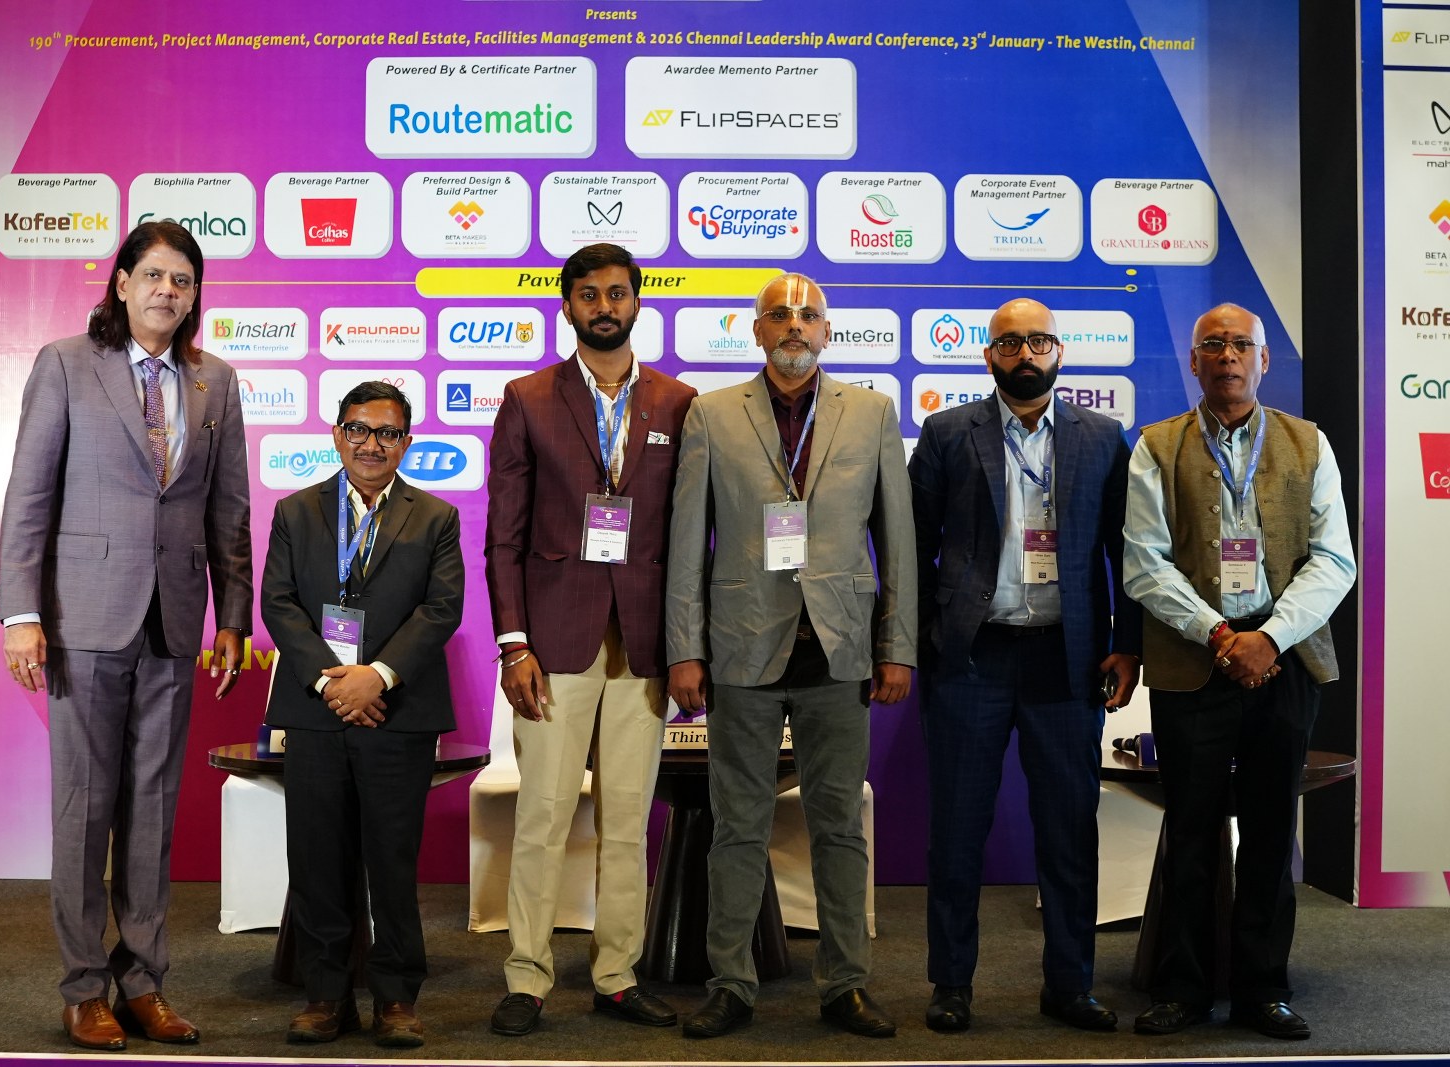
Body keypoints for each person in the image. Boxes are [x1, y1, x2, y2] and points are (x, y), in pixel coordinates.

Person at [0, 220, 253, 1050]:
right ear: (121, 282)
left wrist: (234, 616)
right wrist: (21, 614)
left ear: (194, 293)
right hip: (82, 619)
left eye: (182, 280)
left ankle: (143, 981)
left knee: (152, 809)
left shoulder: (216, 381)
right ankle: (84, 988)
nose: (166, 291)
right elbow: (29, 496)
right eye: (152, 275)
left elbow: (230, 512)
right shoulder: (66, 364)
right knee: (83, 808)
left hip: (173, 622)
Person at [666, 272, 918, 1039]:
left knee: (839, 826)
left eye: (809, 315)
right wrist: (685, 648)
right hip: (741, 648)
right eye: (780, 314)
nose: (795, 326)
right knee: (737, 827)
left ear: (827, 331)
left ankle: (845, 984)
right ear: (757, 331)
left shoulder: (872, 412)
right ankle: (730, 984)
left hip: (840, 650)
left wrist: (896, 645)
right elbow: (687, 542)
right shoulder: (711, 413)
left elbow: (898, 541)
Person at [907, 297, 1141, 1033]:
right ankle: (951, 983)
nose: (1025, 354)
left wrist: (1129, 641)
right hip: (971, 657)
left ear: (1059, 351)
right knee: (956, 830)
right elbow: (912, 546)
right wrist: (922, 638)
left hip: (1066, 659)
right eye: (1009, 343)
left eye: (1038, 341)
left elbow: (1126, 549)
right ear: (989, 356)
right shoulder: (947, 433)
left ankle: (1070, 984)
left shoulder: (1102, 437)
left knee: (1069, 829)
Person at [1123, 304, 1355, 1040]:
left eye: (1241, 345)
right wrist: (1222, 635)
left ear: (1263, 360)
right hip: (1193, 662)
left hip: (1283, 664)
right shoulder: (1155, 445)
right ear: (1194, 361)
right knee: (1190, 832)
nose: (1228, 356)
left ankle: (1262, 989)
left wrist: (1270, 638)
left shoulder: (1308, 443)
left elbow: (1334, 559)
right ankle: (1183, 989)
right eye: (1213, 345)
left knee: (1268, 833)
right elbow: (1144, 562)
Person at [484, 242, 696, 1035]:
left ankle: (616, 973)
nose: (604, 307)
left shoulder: (679, 403)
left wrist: (687, 646)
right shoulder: (529, 398)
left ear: (637, 301)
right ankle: (527, 976)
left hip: (642, 647)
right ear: (567, 304)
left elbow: (689, 537)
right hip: (551, 645)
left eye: (616, 293)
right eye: (588, 295)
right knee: (541, 816)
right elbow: (503, 537)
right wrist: (513, 644)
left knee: (627, 820)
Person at [261, 381, 464, 1048]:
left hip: (396, 712)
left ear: (406, 442)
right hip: (317, 711)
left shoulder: (436, 516)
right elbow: (279, 602)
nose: (371, 443)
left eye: (387, 432)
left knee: (392, 862)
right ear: (336, 433)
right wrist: (333, 681)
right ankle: (326, 995)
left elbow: (441, 608)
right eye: (358, 428)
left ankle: (397, 997)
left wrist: (375, 677)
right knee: (316, 858)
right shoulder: (295, 511)